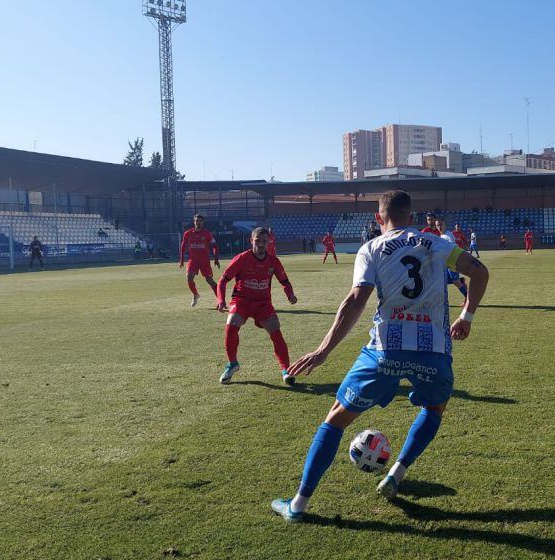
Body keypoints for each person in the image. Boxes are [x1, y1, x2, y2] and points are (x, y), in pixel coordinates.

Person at [270, 190, 489, 521]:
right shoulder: (439, 244)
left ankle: (298, 505)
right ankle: (396, 473)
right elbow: (480, 271)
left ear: (378, 218)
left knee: (336, 418)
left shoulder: (370, 248)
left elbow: (356, 300)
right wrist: (467, 317)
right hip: (434, 349)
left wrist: (322, 351)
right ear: (412, 217)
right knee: (434, 408)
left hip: (385, 350)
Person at [215, 227, 299, 385]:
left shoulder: (273, 261)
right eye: (257, 241)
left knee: (276, 330)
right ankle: (232, 364)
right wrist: (221, 300)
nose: (261, 244)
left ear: (268, 242)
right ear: (251, 241)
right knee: (231, 325)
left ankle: (286, 370)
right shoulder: (242, 258)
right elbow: (223, 280)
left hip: (263, 304)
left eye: (264, 241)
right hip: (242, 301)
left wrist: (290, 295)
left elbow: (284, 282)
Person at [179, 214, 221, 307]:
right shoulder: (188, 233)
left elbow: (215, 246)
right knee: (189, 277)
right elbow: (183, 245)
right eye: (197, 221)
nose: (198, 223)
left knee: (209, 280)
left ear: (203, 222)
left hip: (204, 261)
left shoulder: (207, 234)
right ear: (194, 222)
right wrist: (181, 259)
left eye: (200, 221)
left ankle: (220, 300)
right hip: (193, 260)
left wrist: (216, 259)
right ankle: (195, 295)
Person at [436, 219, 468, 302]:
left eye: (440, 224)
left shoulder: (448, 235)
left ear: (444, 225)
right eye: (437, 225)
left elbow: (453, 248)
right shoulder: (441, 236)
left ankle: (468, 299)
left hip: (452, 262)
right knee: (444, 280)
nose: (439, 227)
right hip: (446, 263)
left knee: (455, 282)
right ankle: (461, 282)